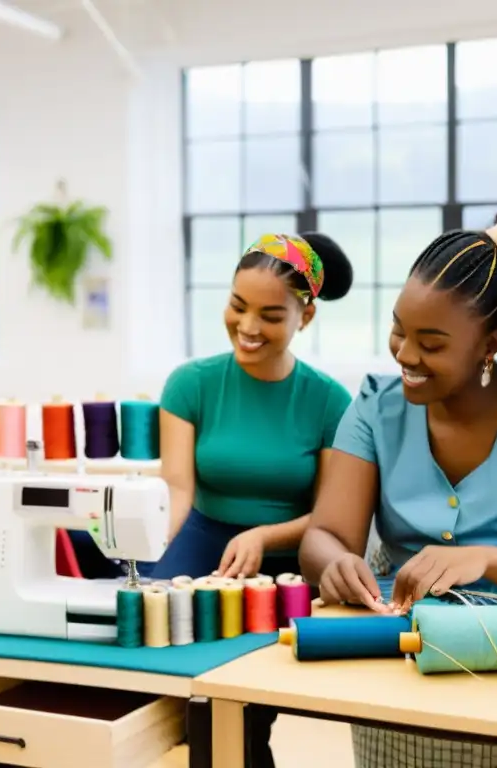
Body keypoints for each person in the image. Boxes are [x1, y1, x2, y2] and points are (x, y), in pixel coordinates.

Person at [299, 201, 497, 768]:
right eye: (398, 329)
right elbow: (326, 533)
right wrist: (333, 563)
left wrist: (487, 561)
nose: (405, 353)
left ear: (490, 343)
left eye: (432, 342)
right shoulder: (375, 405)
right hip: (398, 667)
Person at [154, 231, 352, 768]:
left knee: (241, 709)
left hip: (286, 562)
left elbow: (333, 517)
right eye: (237, 306)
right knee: (169, 681)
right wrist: (150, 553)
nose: (247, 327)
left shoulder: (329, 401)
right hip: (201, 543)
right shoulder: (190, 384)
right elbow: (177, 489)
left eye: (269, 314)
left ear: (304, 318)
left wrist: (264, 536)